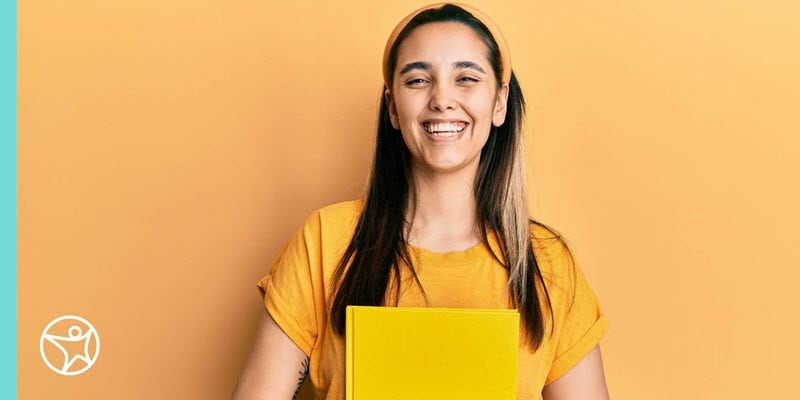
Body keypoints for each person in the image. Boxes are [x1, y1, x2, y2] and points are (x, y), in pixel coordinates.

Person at [231, 3, 610, 399]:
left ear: (499, 102)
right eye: (417, 81)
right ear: (393, 107)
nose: (442, 99)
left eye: (466, 77)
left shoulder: (547, 264)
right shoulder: (326, 240)